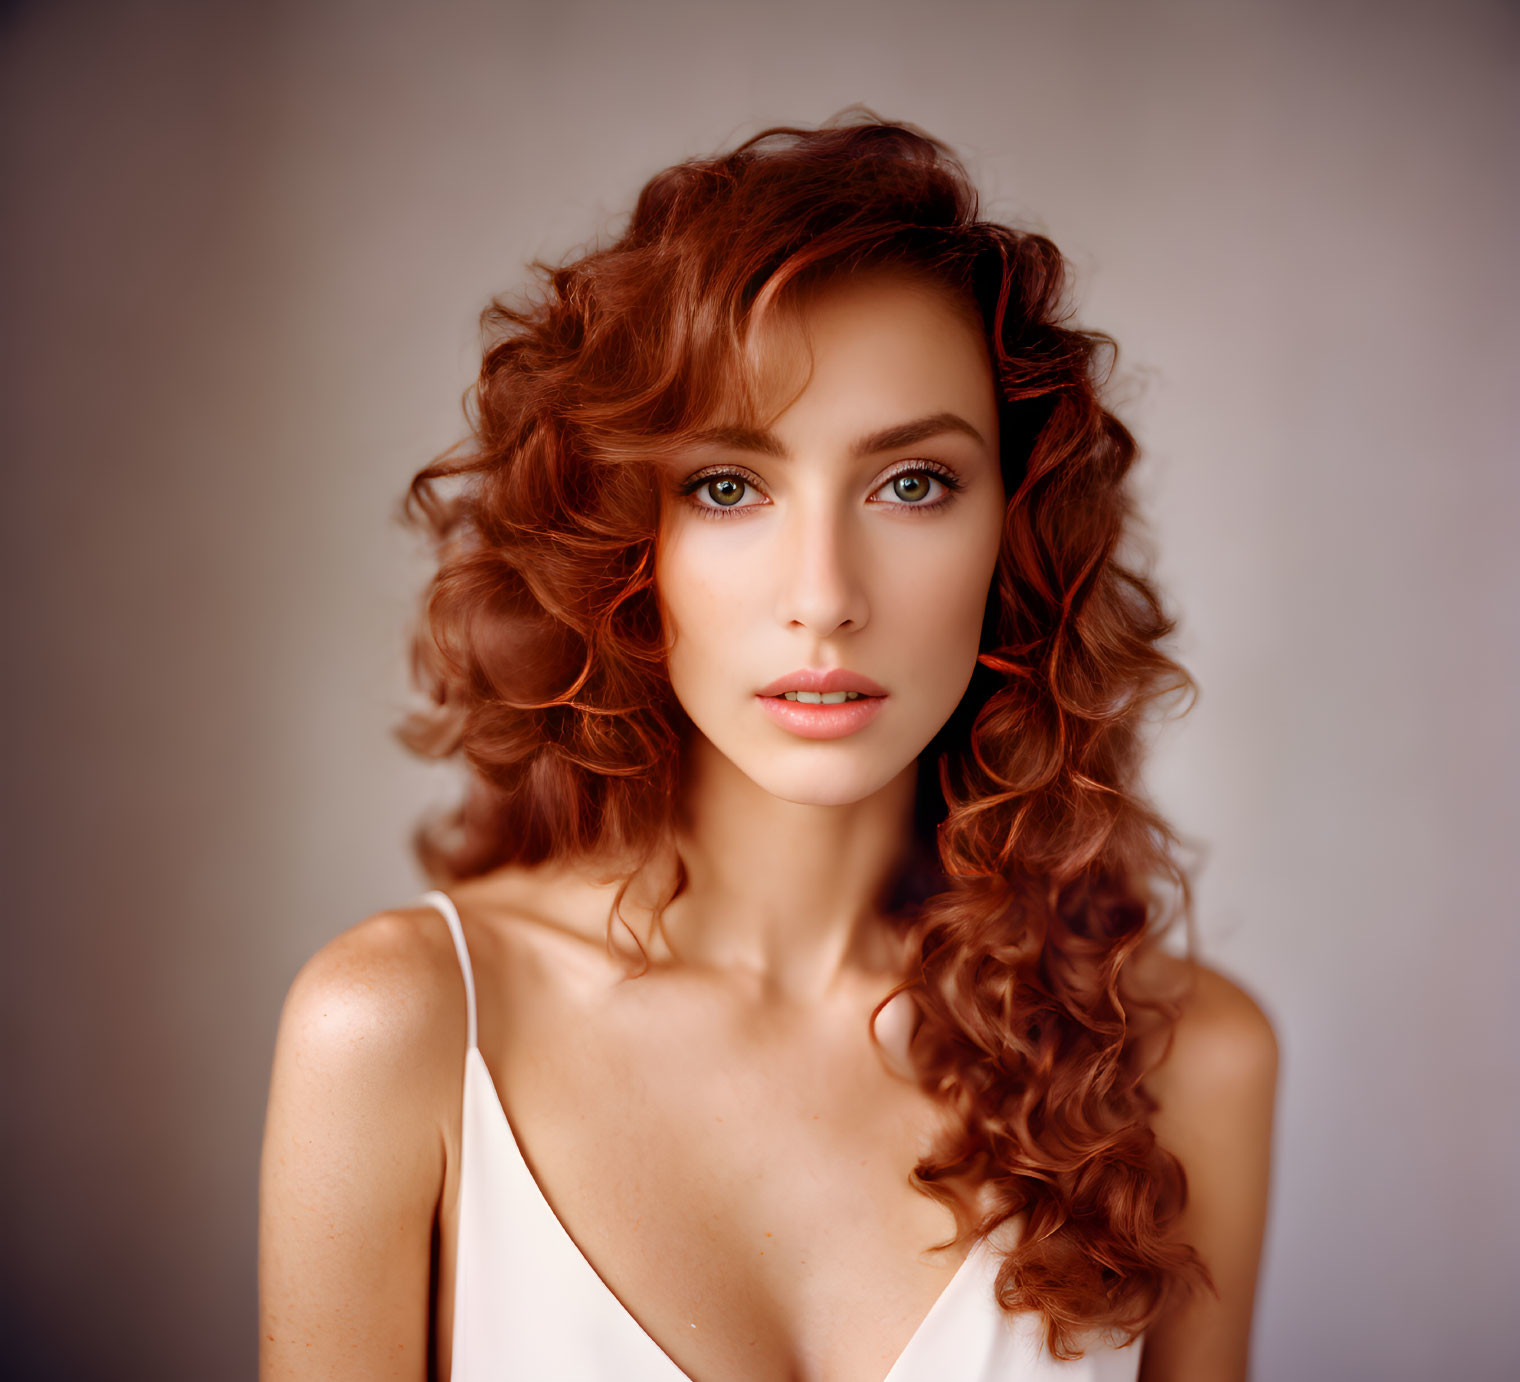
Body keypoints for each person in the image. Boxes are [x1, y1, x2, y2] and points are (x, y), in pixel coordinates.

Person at [258, 113, 1277, 1382]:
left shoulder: (1186, 1062)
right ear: (621, 541)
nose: (824, 595)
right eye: (727, 485)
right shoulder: (402, 1030)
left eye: (910, 482)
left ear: (1015, 535)